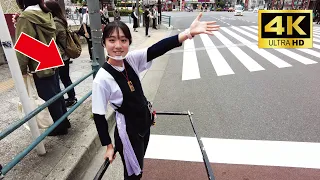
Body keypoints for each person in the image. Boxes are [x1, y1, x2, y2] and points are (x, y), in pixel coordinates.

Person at [92, 13, 219, 179]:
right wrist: (108, 146)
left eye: (123, 40)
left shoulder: (130, 59)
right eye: (112, 40)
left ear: (129, 42)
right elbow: (98, 115)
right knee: (133, 174)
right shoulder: (102, 78)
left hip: (144, 125)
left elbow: (156, 49)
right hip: (128, 133)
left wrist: (188, 33)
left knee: (139, 166)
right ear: (104, 43)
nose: (118, 45)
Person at [14, 0, 71, 136]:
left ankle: (59, 127)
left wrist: (20, 70)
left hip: (39, 63)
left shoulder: (26, 17)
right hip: (51, 56)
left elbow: (23, 46)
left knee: (48, 97)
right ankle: (64, 121)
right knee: (56, 92)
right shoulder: (45, 13)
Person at [45, 0, 78, 108]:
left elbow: (51, 39)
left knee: (64, 78)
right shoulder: (61, 20)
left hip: (61, 56)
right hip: (65, 55)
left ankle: (72, 98)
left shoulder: (55, 23)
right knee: (65, 78)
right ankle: (72, 97)